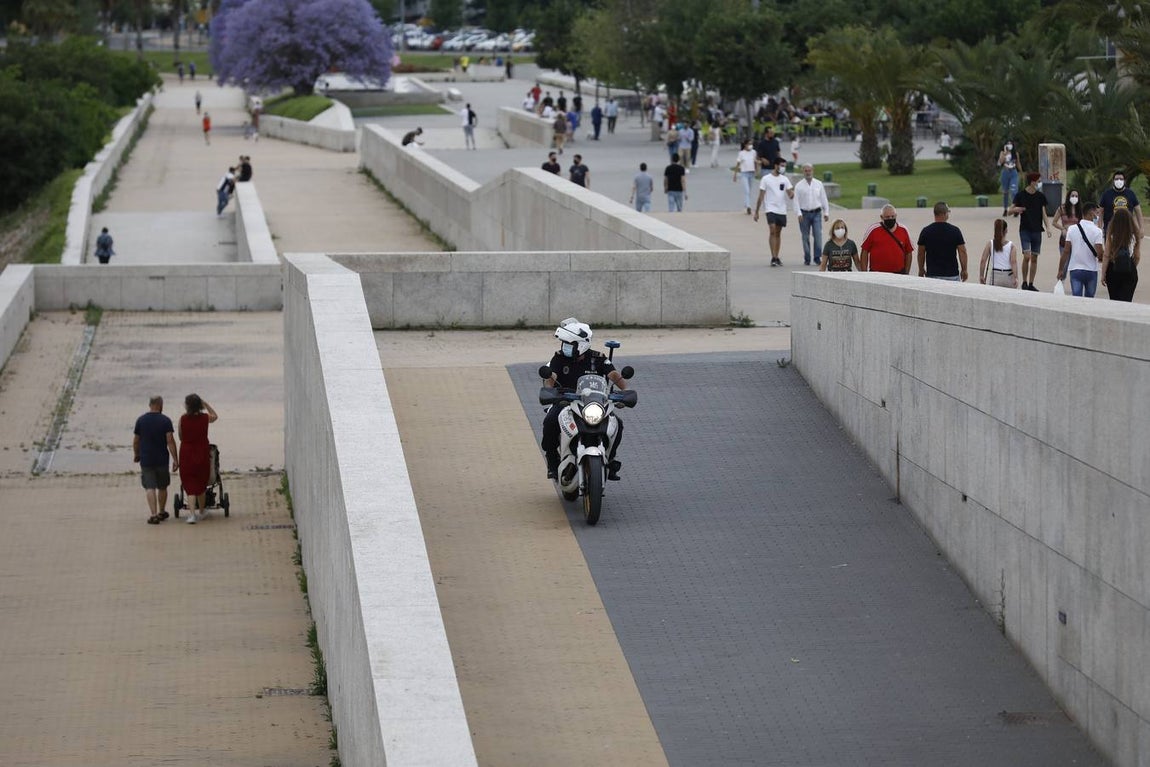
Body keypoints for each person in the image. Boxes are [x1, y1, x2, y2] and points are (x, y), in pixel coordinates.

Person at [540, 319, 628, 480]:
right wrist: (549, 390)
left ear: (581, 345)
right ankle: (552, 460)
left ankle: (611, 459)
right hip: (565, 401)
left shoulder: (597, 358)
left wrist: (625, 392)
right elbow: (550, 377)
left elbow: (614, 375)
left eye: (569, 344)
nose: (564, 347)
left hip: (593, 403)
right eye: (564, 343)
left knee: (618, 424)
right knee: (550, 421)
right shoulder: (559, 358)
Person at [134, 395, 179, 525]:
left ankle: (153, 515)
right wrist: (175, 459)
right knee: (162, 486)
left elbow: (136, 441)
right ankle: (162, 511)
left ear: (150, 405)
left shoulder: (141, 420)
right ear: (160, 405)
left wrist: (136, 454)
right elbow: (170, 441)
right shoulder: (165, 420)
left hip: (146, 459)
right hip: (162, 459)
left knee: (150, 487)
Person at [178, 394, 219, 524]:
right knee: (201, 484)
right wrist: (206, 404)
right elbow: (215, 416)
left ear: (187, 405)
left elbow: (180, 436)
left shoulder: (182, 419)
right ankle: (202, 511)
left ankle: (192, 515)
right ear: (199, 405)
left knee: (189, 485)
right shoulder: (205, 418)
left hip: (186, 453)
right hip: (201, 452)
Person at [1008, 172, 1051, 291]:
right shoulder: (1020, 195)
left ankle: (1031, 283)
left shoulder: (1040, 196)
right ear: (1032, 182)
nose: (1039, 183)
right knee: (1027, 256)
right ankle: (1024, 282)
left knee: (1034, 257)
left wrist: (1048, 227)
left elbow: (1044, 213)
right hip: (1025, 229)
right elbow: (1010, 210)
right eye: (1038, 181)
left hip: (1037, 230)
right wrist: (1016, 209)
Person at [752, 158, 796, 267]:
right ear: (776, 165)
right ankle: (773, 257)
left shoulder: (785, 179)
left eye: (784, 166)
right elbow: (761, 196)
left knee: (778, 232)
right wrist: (756, 211)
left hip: (781, 209)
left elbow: (790, 194)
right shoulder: (766, 179)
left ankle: (777, 256)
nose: (783, 168)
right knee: (772, 229)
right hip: (770, 208)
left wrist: (793, 194)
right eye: (781, 165)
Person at [1057, 202, 1103, 297]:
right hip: (1091, 270)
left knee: (1076, 299)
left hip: (1075, 269)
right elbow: (1099, 253)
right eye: (1097, 213)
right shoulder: (1097, 231)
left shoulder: (1072, 229)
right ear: (1091, 213)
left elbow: (1066, 252)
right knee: (1089, 299)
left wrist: (1061, 270)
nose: (1098, 216)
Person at [916, 202, 968, 281]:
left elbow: (921, 253)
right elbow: (962, 252)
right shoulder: (955, 231)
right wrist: (964, 270)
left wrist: (921, 269)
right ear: (945, 213)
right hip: (952, 274)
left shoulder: (926, 231)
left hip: (932, 275)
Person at [1101, 206, 1141, 301]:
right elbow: (1137, 256)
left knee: (1115, 300)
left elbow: (1106, 255)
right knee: (1127, 300)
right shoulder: (1134, 235)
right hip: (1129, 269)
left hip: (1113, 269)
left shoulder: (1111, 235)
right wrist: (1131, 265)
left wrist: (1103, 274)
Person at [794, 164, 830, 266]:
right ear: (803, 172)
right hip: (804, 213)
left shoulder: (818, 184)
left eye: (809, 170)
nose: (808, 172)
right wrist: (798, 213)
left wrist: (826, 212)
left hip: (816, 213)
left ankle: (817, 257)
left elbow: (823, 198)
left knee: (818, 235)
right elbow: (796, 201)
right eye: (806, 171)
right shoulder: (799, 186)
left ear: (812, 171)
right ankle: (807, 257)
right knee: (805, 236)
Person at [861, 205, 913, 274]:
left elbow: (909, 252)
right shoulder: (873, 230)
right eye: (887, 217)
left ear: (896, 216)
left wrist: (906, 273)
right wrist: (864, 273)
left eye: (893, 216)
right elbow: (864, 251)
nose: (890, 219)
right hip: (877, 274)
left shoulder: (903, 230)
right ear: (881, 217)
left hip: (899, 274)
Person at [1099, 170, 1144, 235]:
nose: (1119, 181)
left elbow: (1138, 211)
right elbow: (1100, 212)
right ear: (1113, 181)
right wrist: (1099, 228)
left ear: (1124, 181)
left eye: (1121, 179)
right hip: (1110, 231)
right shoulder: (1106, 194)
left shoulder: (1130, 194)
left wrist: (1141, 228)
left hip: (1127, 230)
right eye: (1116, 179)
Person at [979, 218, 1019, 288]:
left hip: (995, 275)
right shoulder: (1011, 246)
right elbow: (1013, 262)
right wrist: (1016, 277)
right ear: (1006, 230)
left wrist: (981, 275)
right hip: (1008, 275)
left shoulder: (990, 244)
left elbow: (983, 260)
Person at [1053, 188, 1083, 253]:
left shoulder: (1080, 210)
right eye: (1072, 196)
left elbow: (1083, 223)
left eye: (1076, 196)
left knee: (1074, 259)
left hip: (1076, 238)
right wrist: (1062, 229)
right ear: (1069, 197)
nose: (1074, 198)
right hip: (1065, 237)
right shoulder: (1062, 208)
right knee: (1064, 258)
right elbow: (1054, 222)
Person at [997, 140, 1021, 216]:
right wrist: (1005, 153)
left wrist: (1021, 172)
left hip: (1013, 172)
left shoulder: (1015, 153)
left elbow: (1018, 163)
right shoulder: (1002, 153)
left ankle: (1015, 208)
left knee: (1014, 191)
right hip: (1005, 172)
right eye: (1008, 144)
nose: (1009, 145)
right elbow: (1000, 162)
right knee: (1005, 192)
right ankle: (1005, 209)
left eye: (1011, 144)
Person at [733, 139, 757, 215]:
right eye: (749, 144)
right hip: (744, 173)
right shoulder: (741, 153)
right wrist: (735, 174)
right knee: (747, 190)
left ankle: (746, 204)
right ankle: (748, 206)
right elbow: (738, 164)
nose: (750, 145)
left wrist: (756, 170)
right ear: (745, 145)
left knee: (749, 190)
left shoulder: (753, 152)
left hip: (751, 173)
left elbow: (754, 161)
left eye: (751, 144)